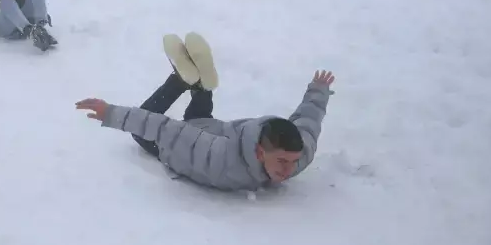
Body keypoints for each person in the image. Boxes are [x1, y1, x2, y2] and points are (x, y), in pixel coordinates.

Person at [75, 32, 334, 192]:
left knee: (198, 120)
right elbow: (165, 129)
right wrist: (110, 113)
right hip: (185, 149)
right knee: (142, 133)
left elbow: (308, 124)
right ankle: (180, 80)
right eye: (282, 162)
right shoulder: (222, 162)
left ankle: (201, 85)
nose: (289, 169)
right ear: (259, 152)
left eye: (292, 161)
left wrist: (318, 91)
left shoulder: (298, 155)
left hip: (209, 130)